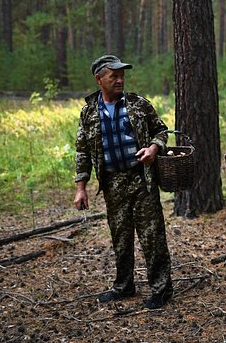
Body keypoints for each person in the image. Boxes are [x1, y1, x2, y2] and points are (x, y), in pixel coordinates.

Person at [74, 54, 173, 310]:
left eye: (122, 76)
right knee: (121, 236)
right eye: (113, 76)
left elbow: (161, 131)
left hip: (142, 179)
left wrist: (153, 148)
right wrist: (81, 187)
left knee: (152, 236)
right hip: (112, 184)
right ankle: (124, 286)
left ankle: (161, 290)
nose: (120, 80)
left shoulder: (138, 104)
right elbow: (82, 150)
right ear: (99, 80)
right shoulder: (88, 112)